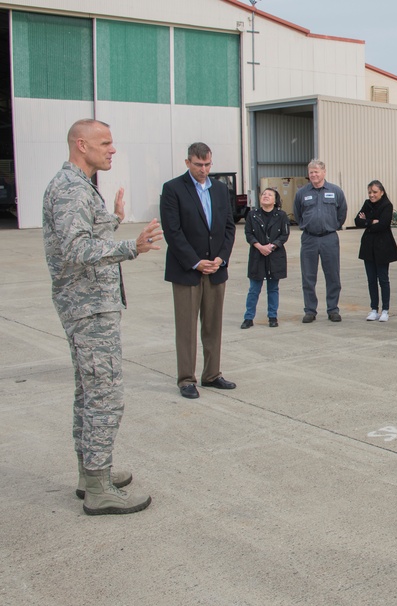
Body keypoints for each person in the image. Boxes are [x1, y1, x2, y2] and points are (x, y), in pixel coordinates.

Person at [43, 118, 161, 515]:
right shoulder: (71, 190)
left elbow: (81, 236)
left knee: (89, 392)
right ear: (81, 145)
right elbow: (77, 249)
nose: (112, 149)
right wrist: (132, 246)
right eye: (105, 143)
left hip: (90, 305)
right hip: (88, 307)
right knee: (105, 396)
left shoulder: (77, 188)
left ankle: (90, 473)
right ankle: (98, 486)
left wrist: (110, 217)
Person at [161, 142, 237, 400]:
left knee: (213, 325)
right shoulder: (172, 189)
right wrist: (195, 262)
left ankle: (212, 374)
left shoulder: (220, 189)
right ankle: (186, 379)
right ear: (187, 162)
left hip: (215, 268)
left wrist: (220, 258)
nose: (203, 170)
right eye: (198, 165)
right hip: (187, 270)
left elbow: (229, 227)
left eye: (207, 165)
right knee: (186, 327)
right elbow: (173, 231)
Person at [294, 159, 347, 324]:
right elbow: (297, 214)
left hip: (329, 238)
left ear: (324, 172)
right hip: (309, 238)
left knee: (333, 275)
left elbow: (342, 213)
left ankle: (333, 309)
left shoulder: (335, 191)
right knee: (308, 276)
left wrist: (333, 226)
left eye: (316, 171)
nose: (313, 175)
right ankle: (310, 310)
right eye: (311, 172)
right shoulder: (302, 193)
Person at [242, 188, 289, 329]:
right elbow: (248, 233)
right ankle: (248, 318)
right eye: (264, 194)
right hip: (257, 255)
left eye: (270, 195)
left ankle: (272, 317)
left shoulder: (281, 216)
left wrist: (272, 246)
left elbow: (284, 235)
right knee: (254, 289)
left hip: (275, 256)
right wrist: (259, 246)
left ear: (275, 200)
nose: (266, 196)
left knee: (273, 288)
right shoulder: (252, 215)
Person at [355, 180, 397, 322]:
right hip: (368, 247)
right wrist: (371, 221)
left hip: (383, 247)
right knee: (371, 279)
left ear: (381, 192)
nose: (372, 195)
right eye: (370, 192)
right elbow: (357, 221)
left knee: (383, 279)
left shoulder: (387, 205)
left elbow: (383, 224)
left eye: (374, 192)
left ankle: (385, 309)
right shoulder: (367, 204)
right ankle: (374, 309)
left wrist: (367, 221)